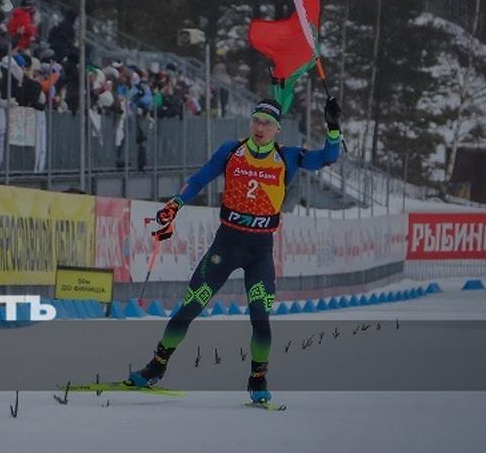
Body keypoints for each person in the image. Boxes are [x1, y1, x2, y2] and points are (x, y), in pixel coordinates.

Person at [126, 96, 342, 405]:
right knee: (189, 308)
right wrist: (176, 203)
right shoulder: (231, 151)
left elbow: (328, 157)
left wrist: (333, 127)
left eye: (267, 123)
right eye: (256, 121)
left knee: (260, 319)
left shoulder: (288, 157)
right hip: (225, 246)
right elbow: (199, 179)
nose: (260, 127)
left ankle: (258, 378)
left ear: (277, 129)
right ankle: (156, 367)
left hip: (259, 252)